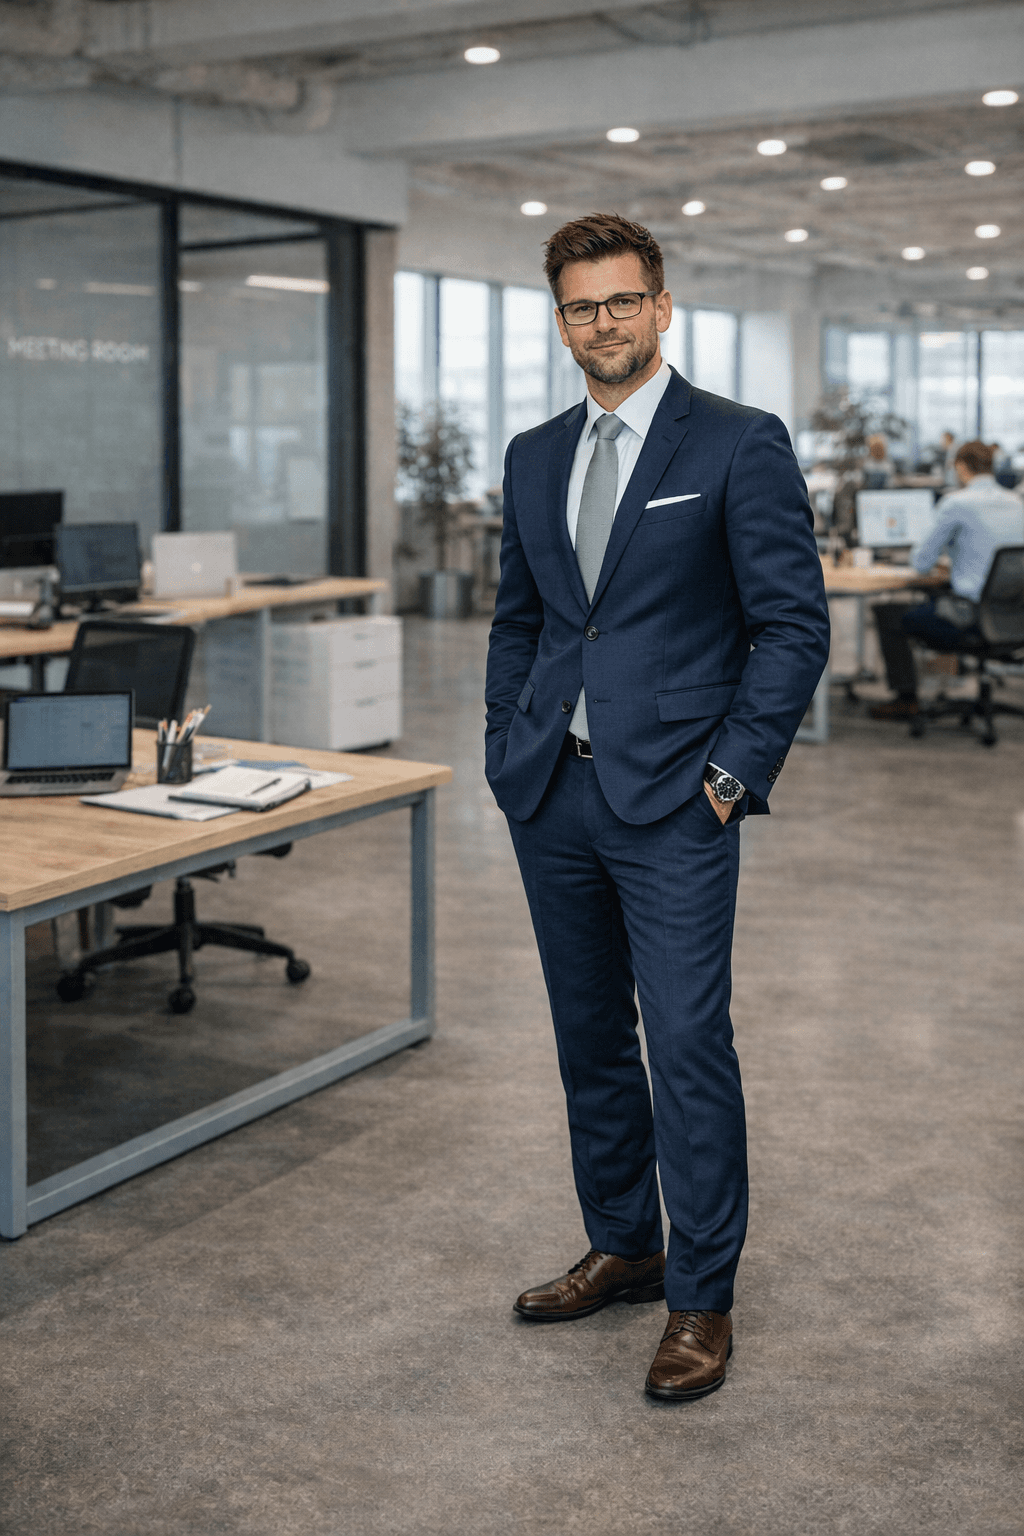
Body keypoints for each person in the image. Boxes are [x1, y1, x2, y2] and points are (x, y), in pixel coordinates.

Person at [484, 213, 830, 1402]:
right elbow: (523, 621)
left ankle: (701, 1297)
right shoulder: (535, 453)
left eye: (622, 301)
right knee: (590, 1043)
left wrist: (729, 777)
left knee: (685, 1048)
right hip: (552, 796)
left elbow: (791, 626)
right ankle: (626, 1241)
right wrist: (503, 748)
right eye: (581, 306)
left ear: (661, 305)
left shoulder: (737, 443)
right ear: (562, 318)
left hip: (678, 803)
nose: (604, 323)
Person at [870, 440, 1024, 719]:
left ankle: (907, 699)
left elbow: (920, 562)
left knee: (889, 614)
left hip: (971, 618)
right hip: (1014, 617)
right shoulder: (1017, 503)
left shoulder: (956, 503)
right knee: (933, 600)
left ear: (962, 467)